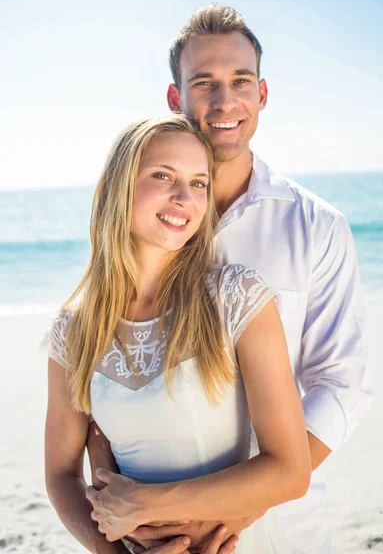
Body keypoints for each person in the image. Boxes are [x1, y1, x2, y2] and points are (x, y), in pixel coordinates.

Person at [87, 5, 373, 554]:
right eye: (204, 84)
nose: (224, 102)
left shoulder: (316, 226)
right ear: (176, 98)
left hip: (283, 520)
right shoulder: (141, 222)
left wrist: (241, 504)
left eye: (240, 81)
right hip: (155, 532)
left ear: (262, 94)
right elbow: (102, 377)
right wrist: (124, 514)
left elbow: (340, 383)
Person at [42, 115, 311, 554]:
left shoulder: (236, 297)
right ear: (119, 186)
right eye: (163, 176)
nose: (184, 197)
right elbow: (60, 474)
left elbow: (290, 471)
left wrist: (143, 505)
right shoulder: (73, 331)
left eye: (199, 183)